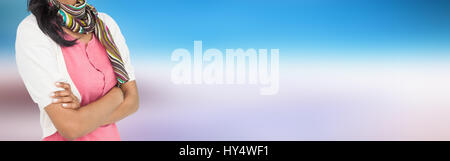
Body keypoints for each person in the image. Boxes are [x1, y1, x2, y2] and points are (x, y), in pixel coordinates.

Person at [15, 0, 139, 141]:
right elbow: (71, 127)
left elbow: (133, 102)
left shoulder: (105, 24)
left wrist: (84, 116)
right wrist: (117, 95)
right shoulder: (33, 31)